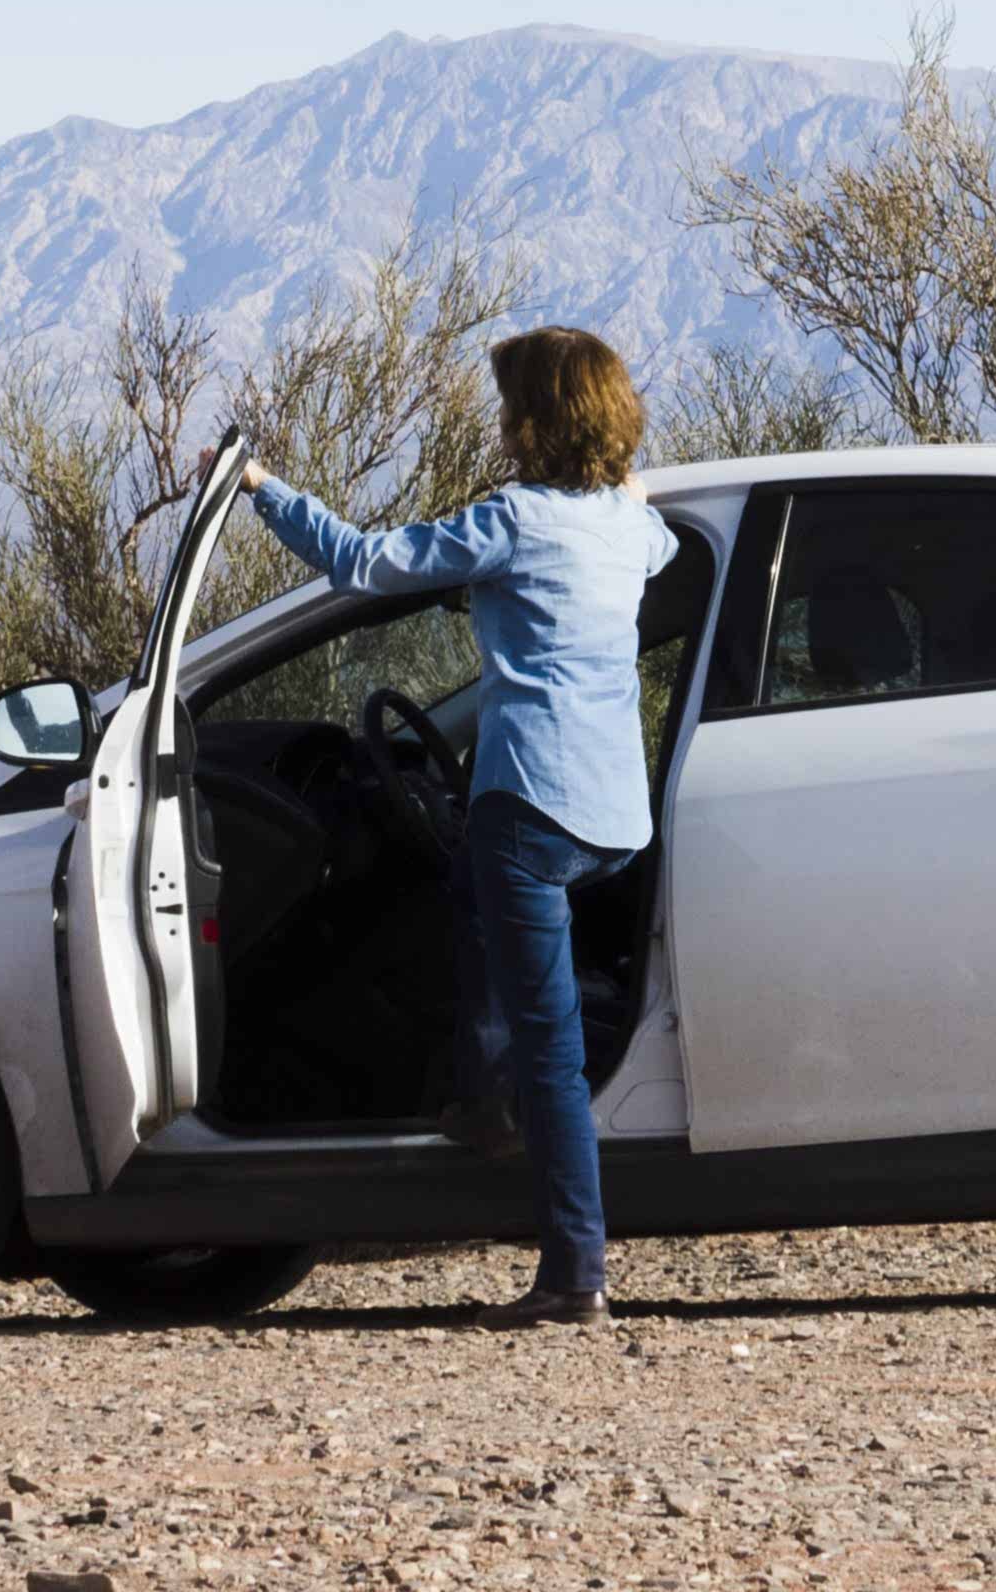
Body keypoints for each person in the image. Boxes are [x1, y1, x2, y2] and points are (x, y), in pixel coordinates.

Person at [225, 325, 676, 1324]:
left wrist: (260, 487)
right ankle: (481, 1088)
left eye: (511, 402)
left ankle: (574, 1275)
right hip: (612, 813)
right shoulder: (625, 527)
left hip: (533, 802)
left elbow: (361, 564)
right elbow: (663, 535)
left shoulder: (514, 520)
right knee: (461, 883)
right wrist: (634, 493)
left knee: (551, 1052)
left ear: (535, 418)